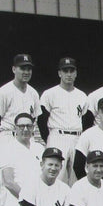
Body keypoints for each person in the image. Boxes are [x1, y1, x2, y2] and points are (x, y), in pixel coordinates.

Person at [0, 54, 41, 206]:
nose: (26, 71)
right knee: (7, 182)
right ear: (14, 69)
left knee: (28, 176)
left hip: (26, 136)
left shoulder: (33, 93)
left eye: (28, 68)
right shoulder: (4, 91)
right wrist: (3, 143)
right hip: (8, 135)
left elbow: (36, 118)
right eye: (22, 68)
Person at [38, 57, 88, 185]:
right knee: (56, 176)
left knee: (77, 179)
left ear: (76, 73)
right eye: (65, 71)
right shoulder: (49, 94)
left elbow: (86, 121)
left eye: (71, 71)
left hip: (77, 137)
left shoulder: (82, 96)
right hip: (57, 136)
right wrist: (49, 138)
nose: (69, 74)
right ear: (60, 73)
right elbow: (41, 120)